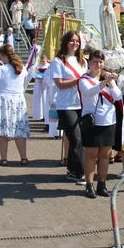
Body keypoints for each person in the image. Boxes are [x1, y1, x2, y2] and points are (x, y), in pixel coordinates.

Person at [78, 50, 122, 197]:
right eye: (95, 62)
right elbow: (90, 92)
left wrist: (112, 83)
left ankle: (101, 184)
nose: (98, 65)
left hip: (108, 121)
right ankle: (89, 185)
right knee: (91, 154)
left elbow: (117, 96)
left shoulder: (107, 79)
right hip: (92, 121)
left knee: (104, 154)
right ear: (89, 63)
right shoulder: (84, 79)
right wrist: (105, 82)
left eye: (101, 62)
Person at [50, 31, 87, 182]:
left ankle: (72, 170)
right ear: (66, 42)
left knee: (77, 139)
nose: (75, 43)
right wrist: (79, 81)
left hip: (83, 104)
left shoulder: (82, 61)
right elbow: (59, 83)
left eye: (77, 41)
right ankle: (81, 172)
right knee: (76, 138)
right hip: (66, 105)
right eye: (72, 40)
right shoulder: (58, 61)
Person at [0, 45, 30, 165]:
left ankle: (4, 158)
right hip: (18, 100)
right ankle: (23, 157)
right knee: (19, 129)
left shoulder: (1, 69)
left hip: (3, 100)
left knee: (2, 130)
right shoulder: (21, 68)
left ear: (3, 55)